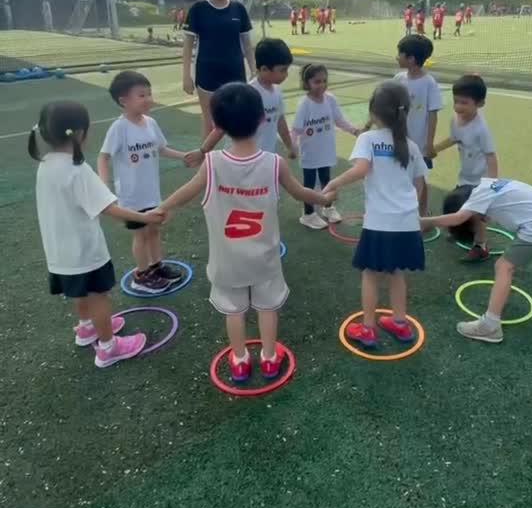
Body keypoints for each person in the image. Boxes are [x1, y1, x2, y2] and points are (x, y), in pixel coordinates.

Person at [159, 83, 332, 383]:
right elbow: (301, 192)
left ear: (218, 125)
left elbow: (186, 192)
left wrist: (162, 208)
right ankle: (268, 358)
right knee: (267, 308)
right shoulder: (274, 164)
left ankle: (239, 360)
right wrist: (324, 199)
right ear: (262, 120)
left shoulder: (211, 163)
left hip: (227, 260)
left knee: (234, 312)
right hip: (264, 257)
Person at [30, 100, 165, 368]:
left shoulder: (45, 164)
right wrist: (146, 216)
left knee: (79, 292)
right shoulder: (77, 170)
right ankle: (108, 347)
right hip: (85, 251)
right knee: (98, 296)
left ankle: (86, 327)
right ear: (80, 133)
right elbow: (110, 208)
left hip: (59, 251)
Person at [324, 82, 427, 348]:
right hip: (406, 223)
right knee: (396, 273)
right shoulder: (411, 146)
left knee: (370, 274)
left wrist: (333, 184)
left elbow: (360, 169)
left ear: (373, 112)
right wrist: (409, 208)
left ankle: (368, 328)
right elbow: (419, 184)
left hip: (380, 223)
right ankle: (400, 324)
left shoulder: (368, 139)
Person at [422, 177, 532, 344]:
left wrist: (425, 221)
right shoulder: (486, 184)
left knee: (504, 266)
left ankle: (490, 326)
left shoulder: (475, 199)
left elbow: (458, 218)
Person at [98, 71, 187, 294]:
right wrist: (103, 185)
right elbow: (103, 156)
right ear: (123, 101)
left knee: (154, 230)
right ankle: (142, 274)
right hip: (131, 195)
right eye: (141, 95)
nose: (148, 99)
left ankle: (157, 266)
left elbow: (162, 148)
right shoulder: (119, 128)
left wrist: (184, 156)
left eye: (149, 93)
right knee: (140, 234)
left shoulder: (151, 123)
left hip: (151, 191)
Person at [191, 38, 297, 163]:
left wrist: (290, 146)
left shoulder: (277, 92)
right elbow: (222, 128)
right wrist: (202, 151)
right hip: (240, 160)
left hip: (264, 159)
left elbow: (280, 122)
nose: (286, 74)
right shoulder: (247, 95)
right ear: (264, 69)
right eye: (282, 70)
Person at [181, 0, 255, 139]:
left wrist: (254, 69)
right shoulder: (198, 10)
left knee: (238, 119)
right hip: (207, 73)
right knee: (209, 121)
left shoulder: (239, 9)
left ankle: (237, 159)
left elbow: (247, 44)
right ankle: (206, 161)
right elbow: (188, 46)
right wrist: (186, 76)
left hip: (235, 72)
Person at [432, 74, 498, 260]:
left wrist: (490, 187)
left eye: (464, 103)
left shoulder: (481, 129)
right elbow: (454, 138)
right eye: (456, 101)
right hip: (466, 175)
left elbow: (491, 157)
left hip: (480, 179)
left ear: (480, 104)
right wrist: (434, 149)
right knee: (458, 206)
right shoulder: (456, 118)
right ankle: (463, 232)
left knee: (476, 213)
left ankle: (481, 245)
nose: (458, 107)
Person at [292, 63, 359, 230]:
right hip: (310, 153)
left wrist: (354, 130)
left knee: (327, 181)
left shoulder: (330, 99)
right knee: (309, 183)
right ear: (307, 83)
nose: (321, 85)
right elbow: (296, 129)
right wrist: (292, 146)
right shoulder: (304, 104)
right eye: (316, 81)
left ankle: (328, 208)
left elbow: (339, 120)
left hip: (326, 150)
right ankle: (308, 214)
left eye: (324, 81)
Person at [394, 34, 443, 214]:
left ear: (411, 59)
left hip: (419, 144)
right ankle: (404, 211)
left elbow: (432, 114)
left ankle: (421, 216)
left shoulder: (429, 83)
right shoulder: (399, 78)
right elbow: (388, 104)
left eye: (400, 53)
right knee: (401, 176)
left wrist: (429, 144)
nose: (396, 57)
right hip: (400, 141)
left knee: (419, 179)